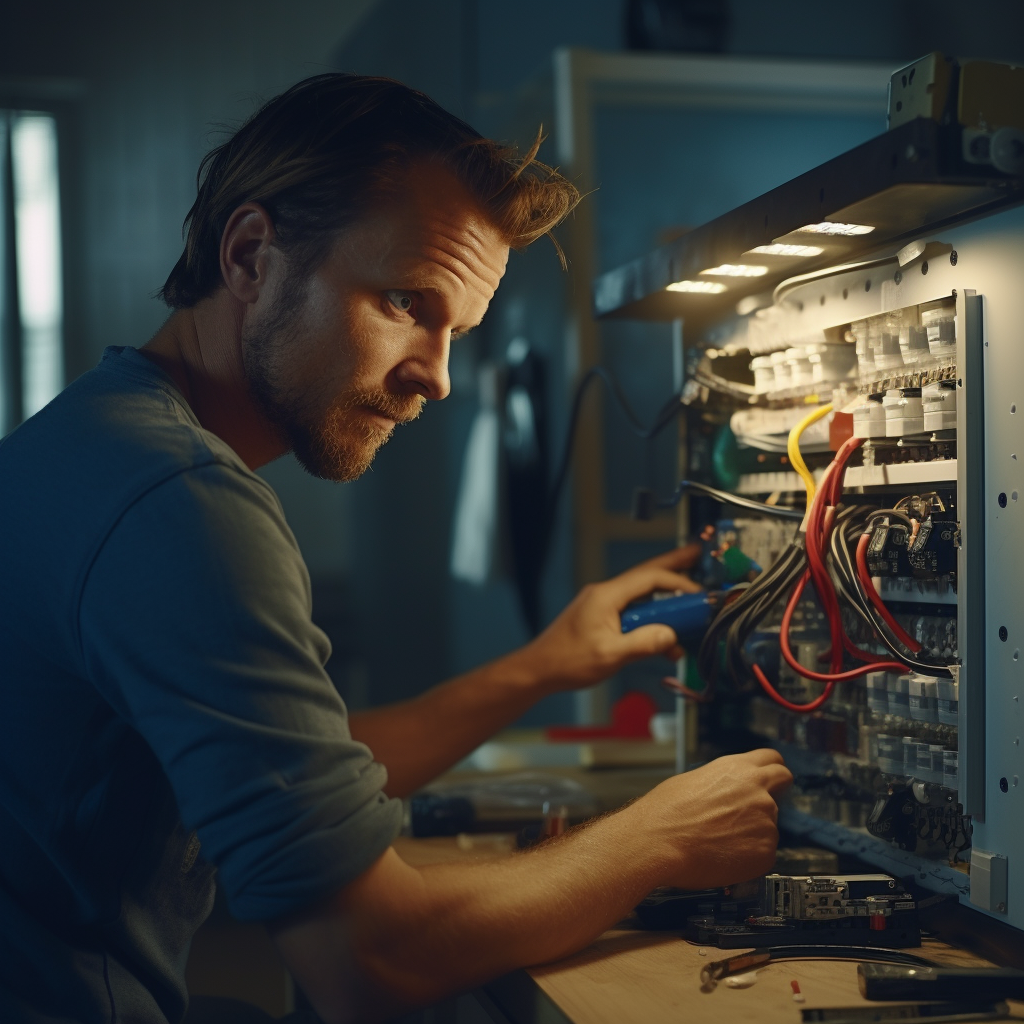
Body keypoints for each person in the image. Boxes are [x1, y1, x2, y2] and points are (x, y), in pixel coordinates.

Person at [0, 73, 791, 1024]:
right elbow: (369, 958)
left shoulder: (95, 439)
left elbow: (289, 773)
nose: (440, 378)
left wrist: (543, 667)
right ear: (251, 255)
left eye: (457, 330)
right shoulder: (181, 503)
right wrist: (660, 837)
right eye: (405, 301)